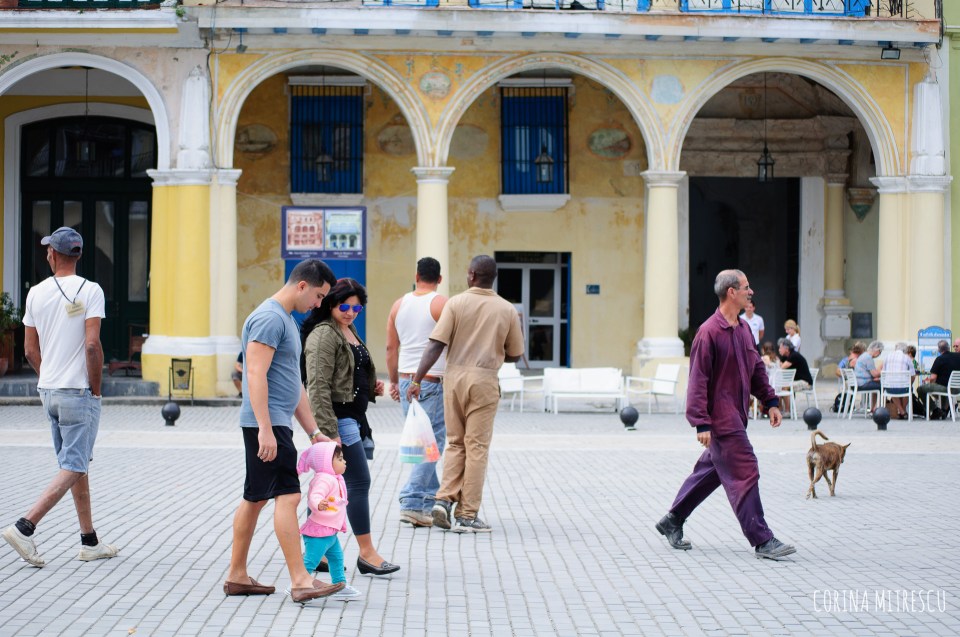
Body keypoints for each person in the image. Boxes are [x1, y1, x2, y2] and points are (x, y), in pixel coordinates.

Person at [224, 258, 343, 605]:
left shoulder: (286, 320)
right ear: (302, 285)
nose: (319, 305)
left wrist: (313, 431)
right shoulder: (269, 318)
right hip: (269, 425)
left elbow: (293, 384)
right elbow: (255, 374)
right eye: (319, 296)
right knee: (288, 496)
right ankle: (301, 580)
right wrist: (265, 429)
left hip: (275, 423)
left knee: (256, 497)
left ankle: (237, 575)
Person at [655, 269, 795, 560]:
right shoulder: (708, 332)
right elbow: (698, 379)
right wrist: (701, 422)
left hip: (737, 415)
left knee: (710, 473)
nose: (750, 292)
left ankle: (672, 520)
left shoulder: (744, 329)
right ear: (731, 292)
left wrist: (770, 400)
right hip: (721, 420)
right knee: (745, 470)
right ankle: (762, 540)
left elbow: (756, 369)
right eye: (746, 287)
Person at [2, 227, 117, 568]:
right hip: (78, 390)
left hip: (49, 390)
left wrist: (47, 377)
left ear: (52, 254)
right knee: (75, 463)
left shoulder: (35, 294)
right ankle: (25, 526)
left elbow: (28, 349)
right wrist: (95, 388)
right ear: (78, 255)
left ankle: (89, 540)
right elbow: (93, 345)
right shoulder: (90, 290)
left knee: (73, 464)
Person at [406, 255, 524, 534]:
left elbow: (436, 344)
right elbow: (516, 354)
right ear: (492, 277)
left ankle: (444, 500)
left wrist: (417, 380)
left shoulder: (455, 303)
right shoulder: (507, 310)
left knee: (456, 443)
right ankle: (467, 514)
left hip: (454, 379)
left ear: (471, 275)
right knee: (477, 448)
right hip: (484, 381)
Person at [302, 278, 398, 576]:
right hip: (337, 421)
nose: (351, 312)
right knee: (358, 483)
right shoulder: (323, 335)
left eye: (357, 308)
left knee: (328, 486)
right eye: (345, 306)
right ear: (331, 303)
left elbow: (350, 373)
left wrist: (371, 387)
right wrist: (327, 434)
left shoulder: (347, 329)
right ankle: (367, 554)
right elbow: (317, 386)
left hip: (352, 418)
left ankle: (317, 551)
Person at [386, 257, 448, 527]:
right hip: (431, 381)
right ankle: (411, 500)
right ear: (440, 279)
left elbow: (391, 349)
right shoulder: (441, 303)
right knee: (433, 443)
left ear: (416, 275)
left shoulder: (398, 305)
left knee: (421, 442)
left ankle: (426, 502)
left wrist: (392, 381)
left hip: (404, 379)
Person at [297, 442, 362, 601]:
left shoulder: (335, 478)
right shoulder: (324, 479)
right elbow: (315, 495)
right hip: (319, 532)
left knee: (337, 558)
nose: (344, 462)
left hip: (330, 531)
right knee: (311, 560)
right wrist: (318, 503)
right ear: (326, 463)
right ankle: (297, 583)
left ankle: (340, 585)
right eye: (340, 459)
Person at [918, 340, 960, 415]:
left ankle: (935, 410)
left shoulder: (939, 359)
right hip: (957, 389)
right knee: (942, 386)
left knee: (921, 389)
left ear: (939, 350)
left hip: (946, 389)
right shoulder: (958, 356)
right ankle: (944, 409)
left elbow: (933, 378)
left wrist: (927, 380)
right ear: (948, 347)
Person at [778, 338, 813, 415]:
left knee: (784, 387)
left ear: (786, 348)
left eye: (780, 348)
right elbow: (779, 364)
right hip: (795, 381)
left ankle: (788, 411)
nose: (779, 350)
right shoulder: (786, 356)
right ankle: (780, 408)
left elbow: (781, 367)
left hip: (806, 382)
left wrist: (780, 363)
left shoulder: (794, 355)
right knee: (779, 386)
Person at [883, 343, 915, 419]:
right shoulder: (907, 358)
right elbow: (913, 375)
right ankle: (902, 411)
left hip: (889, 388)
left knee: (892, 388)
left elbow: (883, 372)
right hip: (904, 388)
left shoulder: (887, 357)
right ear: (905, 350)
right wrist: (909, 384)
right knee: (909, 390)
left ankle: (901, 411)